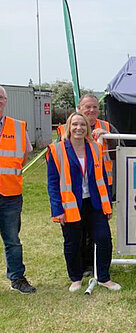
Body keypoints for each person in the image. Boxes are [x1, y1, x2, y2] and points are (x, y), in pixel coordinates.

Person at [47, 112, 121, 292]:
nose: (78, 128)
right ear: (68, 127)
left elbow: (102, 178)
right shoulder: (56, 149)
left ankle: (103, 277)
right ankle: (76, 278)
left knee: (104, 239)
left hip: (94, 204)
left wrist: (107, 205)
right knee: (72, 242)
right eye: (75, 124)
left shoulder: (95, 148)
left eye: (82, 125)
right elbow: (52, 182)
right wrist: (57, 209)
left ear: (88, 128)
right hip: (70, 205)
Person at [0, 86, 36, 294]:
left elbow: (23, 156)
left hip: (10, 194)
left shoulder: (18, 127)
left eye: (0, 97)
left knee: (12, 240)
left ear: (5, 101)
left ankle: (17, 279)